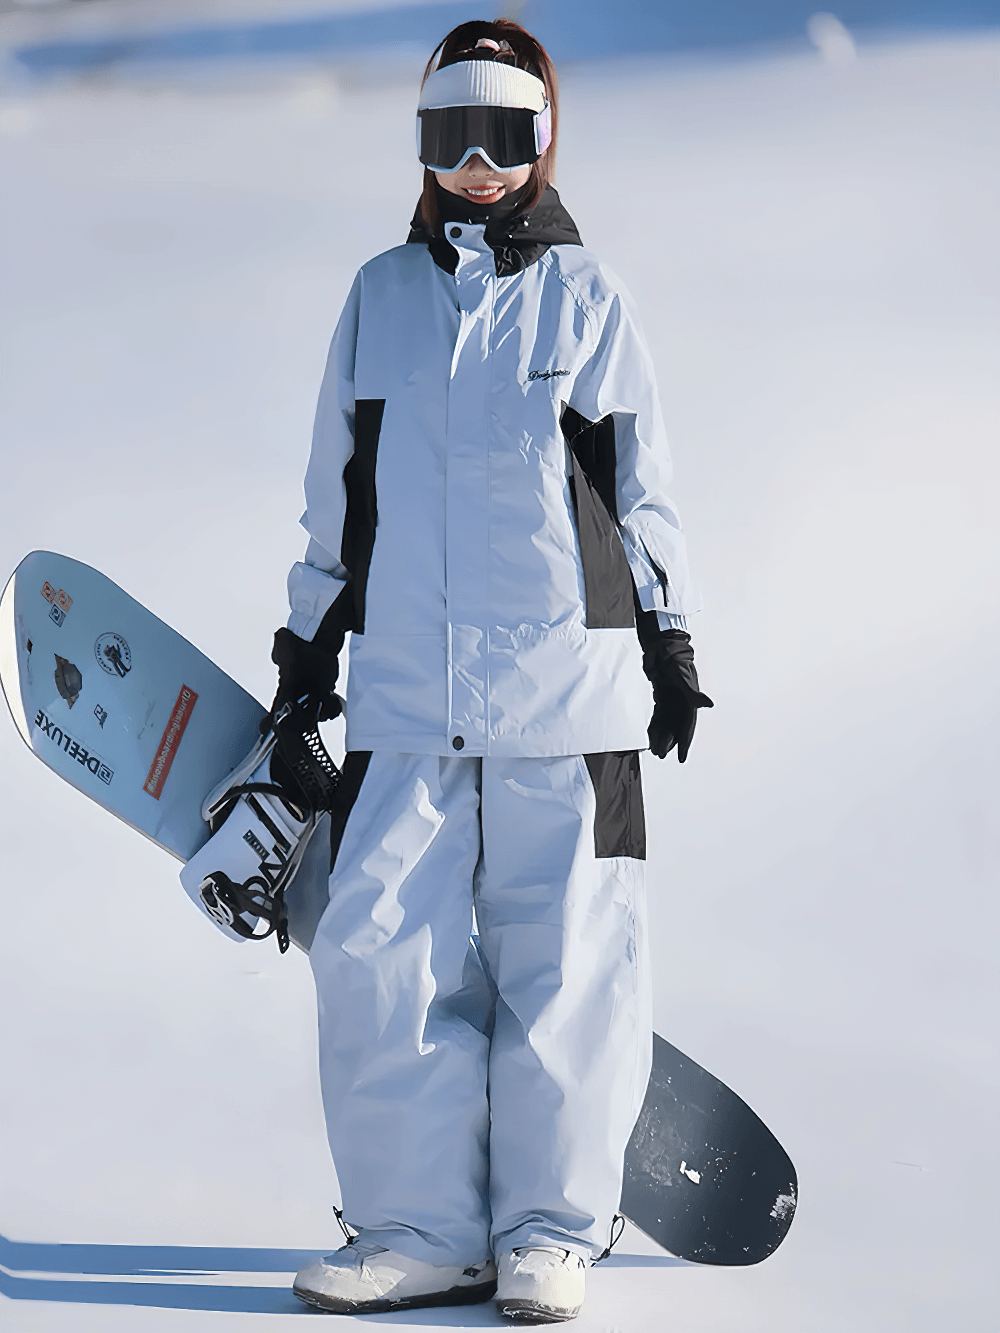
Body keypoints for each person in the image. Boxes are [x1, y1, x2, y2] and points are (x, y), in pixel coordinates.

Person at [270, 18, 712, 1323]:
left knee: (566, 967)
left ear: (543, 140)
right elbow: (336, 504)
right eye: (447, 136)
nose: (474, 164)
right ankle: (417, 1230)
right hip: (408, 699)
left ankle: (547, 1234)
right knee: (377, 956)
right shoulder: (380, 300)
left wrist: (674, 643)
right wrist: (308, 653)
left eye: (502, 136)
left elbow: (642, 492)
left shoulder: (590, 299)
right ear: (421, 148)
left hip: (568, 702)